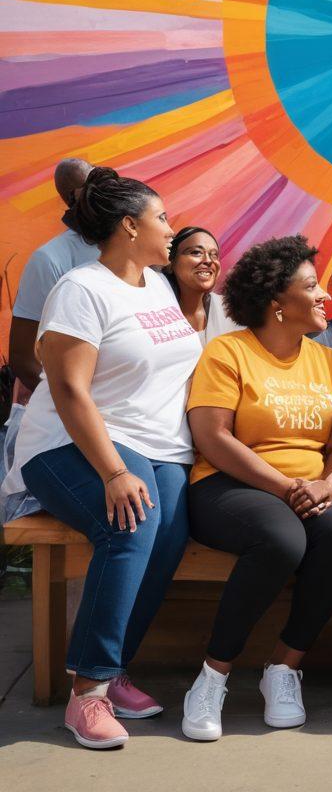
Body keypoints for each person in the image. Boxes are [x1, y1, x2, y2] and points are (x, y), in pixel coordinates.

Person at [4, 167, 201, 749]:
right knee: (131, 527)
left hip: (158, 444)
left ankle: (113, 673)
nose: (171, 228)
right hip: (73, 443)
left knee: (168, 538)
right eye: (162, 218)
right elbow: (68, 389)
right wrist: (113, 470)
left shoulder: (157, 284)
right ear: (127, 226)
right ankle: (86, 695)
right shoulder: (82, 289)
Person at [182, 236, 332, 742]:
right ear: (277, 304)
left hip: (309, 487)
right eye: (311, 286)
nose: (325, 296)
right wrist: (286, 487)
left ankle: (283, 669)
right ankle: (212, 677)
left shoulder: (331, 363)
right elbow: (211, 436)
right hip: (228, 484)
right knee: (283, 539)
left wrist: (329, 485)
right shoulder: (229, 351)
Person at [9, 158, 98, 395]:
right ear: (72, 197)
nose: (104, 191)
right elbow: (23, 357)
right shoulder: (50, 259)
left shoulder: (137, 251)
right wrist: (74, 406)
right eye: (91, 186)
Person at [164, 227, 238, 345]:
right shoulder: (155, 310)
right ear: (171, 263)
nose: (208, 260)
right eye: (196, 252)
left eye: (214, 255)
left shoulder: (232, 309)